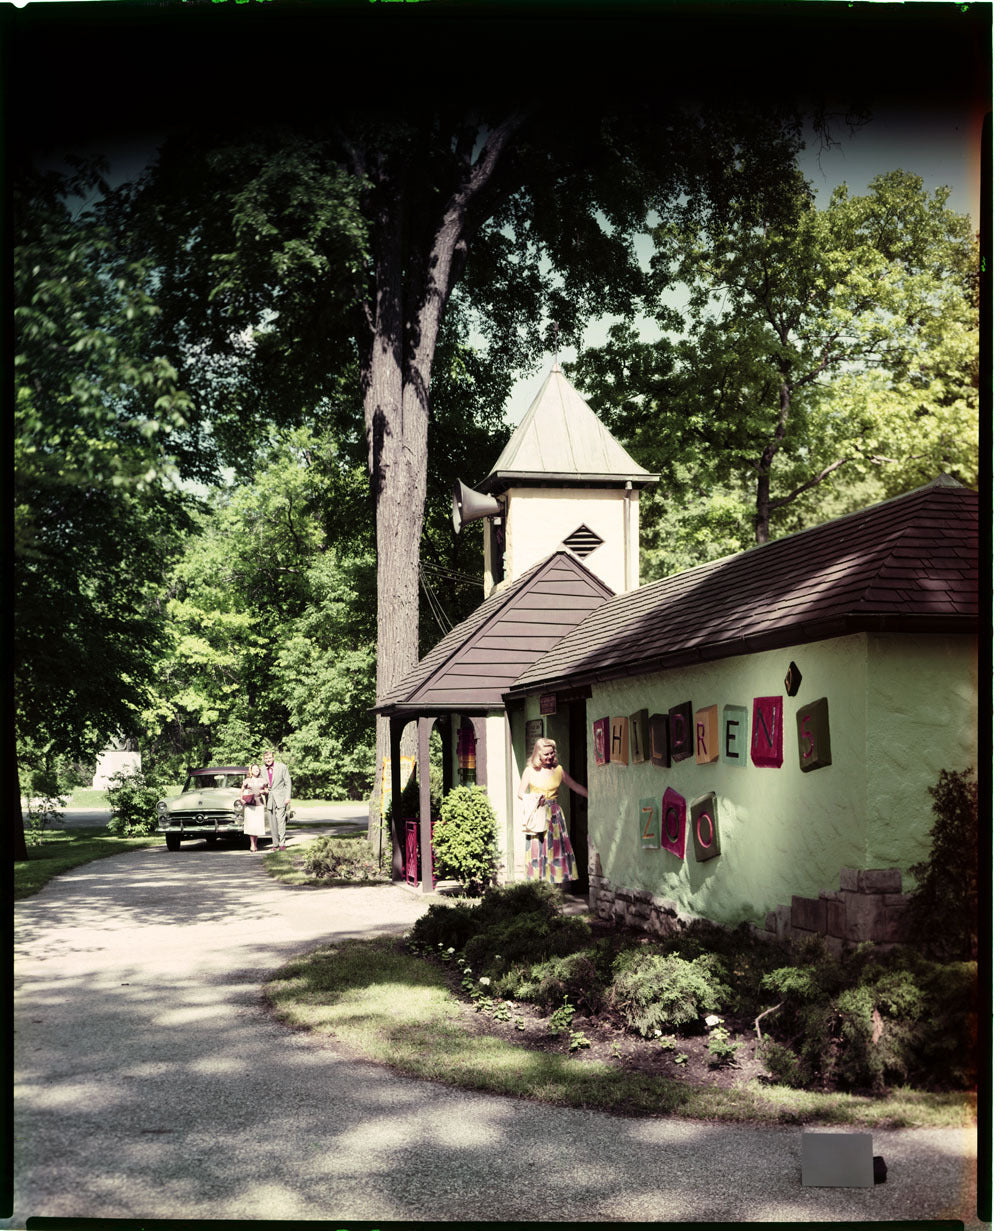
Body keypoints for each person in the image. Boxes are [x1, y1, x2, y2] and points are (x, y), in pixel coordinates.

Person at [517, 737, 587, 884]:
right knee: (538, 847)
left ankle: (555, 885)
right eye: (546, 754)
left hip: (554, 815)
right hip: (538, 813)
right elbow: (520, 793)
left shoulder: (558, 770)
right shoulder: (529, 771)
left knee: (556, 848)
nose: (549, 757)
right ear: (538, 754)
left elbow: (574, 786)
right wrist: (534, 798)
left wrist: (592, 796)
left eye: (551, 753)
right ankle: (537, 885)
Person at [262, 749, 292, 851]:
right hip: (269, 798)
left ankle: (282, 843)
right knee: (272, 822)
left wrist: (288, 797)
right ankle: (275, 845)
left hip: (281, 797)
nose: (268, 760)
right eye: (266, 758)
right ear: (264, 759)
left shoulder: (282, 767)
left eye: (270, 758)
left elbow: (288, 783)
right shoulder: (262, 769)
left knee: (281, 821)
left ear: (273, 757)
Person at [241, 763, 269, 853]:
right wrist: (242, 800)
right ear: (251, 771)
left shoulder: (263, 780)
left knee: (257, 826)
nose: (256, 770)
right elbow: (241, 791)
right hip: (249, 805)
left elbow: (267, 790)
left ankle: (255, 844)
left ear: (259, 770)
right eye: (254, 769)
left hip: (259, 804)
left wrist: (263, 791)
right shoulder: (247, 781)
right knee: (251, 825)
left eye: (257, 769)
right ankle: (252, 844)